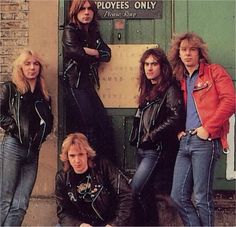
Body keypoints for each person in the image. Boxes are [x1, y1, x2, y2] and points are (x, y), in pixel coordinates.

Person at [168, 32, 235, 226]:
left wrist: (208, 128)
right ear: (178, 53)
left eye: (192, 49)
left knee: (201, 198)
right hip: (185, 141)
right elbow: (176, 109)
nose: (187, 54)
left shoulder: (214, 72)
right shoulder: (180, 80)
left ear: (200, 52)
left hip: (205, 141)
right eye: (183, 50)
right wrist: (178, 131)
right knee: (178, 195)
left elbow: (230, 101)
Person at [129, 47, 185, 225]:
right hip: (143, 149)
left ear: (162, 66)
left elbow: (176, 118)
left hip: (156, 149)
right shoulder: (147, 89)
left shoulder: (170, 88)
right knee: (145, 193)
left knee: (134, 189)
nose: (149, 68)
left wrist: (152, 136)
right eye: (146, 64)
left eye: (154, 64)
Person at [0, 49, 53, 226]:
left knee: (21, 203)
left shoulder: (43, 93)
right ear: (20, 67)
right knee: (5, 199)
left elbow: (48, 121)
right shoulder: (10, 88)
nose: (32, 67)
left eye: (36, 64)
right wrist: (12, 127)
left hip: (33, 151)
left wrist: (41, 137)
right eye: (27, 63)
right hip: (13, 147)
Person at [62, 0, 115, 161]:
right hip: (74, 84)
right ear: (75, 12)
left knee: (103, 125)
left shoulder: (93, 32)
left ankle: (106, 167)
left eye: (90, 9)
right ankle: (92, 167)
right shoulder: (70, 30)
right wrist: (92, 53)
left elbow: (107, 54)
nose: (87, 13)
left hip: (87, 84)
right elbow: (76, 53)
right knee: (88, 127)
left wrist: (92, 52)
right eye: (83, 9)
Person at [55, 132, 134, 226]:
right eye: (72, 155)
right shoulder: (62, 177)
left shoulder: (103, 167)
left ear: (87, 154)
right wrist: (78, 225)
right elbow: (63, 211)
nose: (77, 160)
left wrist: (115, 224)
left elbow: (126, 194)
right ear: (67, 157)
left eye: (81, 154)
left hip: (106, 222)